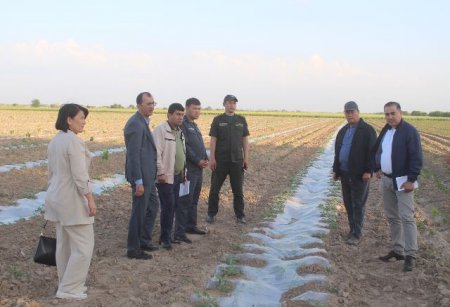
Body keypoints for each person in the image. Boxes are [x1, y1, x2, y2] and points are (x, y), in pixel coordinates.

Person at [45, 103, 97, 300]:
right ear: (69, 119)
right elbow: (80, 175)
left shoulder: (55, 141)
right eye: (81, 118)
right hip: (72, 200)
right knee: (84, 247)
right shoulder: (73, 142)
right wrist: (90, 199)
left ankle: (65, 285)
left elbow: (50, 173)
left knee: (64, 246)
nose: (84, 122)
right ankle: (69, 288)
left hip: (56, 198)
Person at [373, 101, 423, 272]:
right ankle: (398, 250)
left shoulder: (410, 131)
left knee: (407, 217)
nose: (389, 117)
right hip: (386, 180)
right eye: (386, 114)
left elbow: (416, 157)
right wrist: (377, 167)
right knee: (392, 217)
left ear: (400, 113)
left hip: (403, 181)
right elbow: (378, 150)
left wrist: (411, 179)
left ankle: (410, 255)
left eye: (392, 113)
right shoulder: (386, 130)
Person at [332, 101, 377, 245]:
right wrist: (336, 170)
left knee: (358, 203)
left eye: (352, 111)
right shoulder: (343, 130)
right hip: (345, 173)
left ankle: (357, 234)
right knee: (348, 203)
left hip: (359, 174)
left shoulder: (367, 130)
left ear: (358, 112)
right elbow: (337, 151)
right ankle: (352, 230)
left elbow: (372, 152)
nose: (350, 114)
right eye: (347, 112)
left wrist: (368, 171)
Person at [124, 92, 159, 260]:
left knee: (152, 207)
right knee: (139, 212)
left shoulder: (144, 122)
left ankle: (144, 240)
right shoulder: (135, 124)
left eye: (153, 103)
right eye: (148, 103)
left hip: (149, 176)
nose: (152, 106)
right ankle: (133, 248)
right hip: (141, 178)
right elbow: (133, 155)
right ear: (139, 105)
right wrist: (138, 181)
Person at [207, 94, 250, 224]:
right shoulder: (218, 120)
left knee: (238, 191)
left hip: (237, 161)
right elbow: (213, 140)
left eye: (234, 103)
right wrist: (212, 158)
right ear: (224, 104)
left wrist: (246, 158)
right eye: (229, 103)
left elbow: (245, 140)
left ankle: (240, 215)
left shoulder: (241, 120)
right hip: (221, 161)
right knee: (215, 189)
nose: (232, 105)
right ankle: (211, 214)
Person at [154, 103, 189, 249]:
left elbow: (182, 152)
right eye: (177, 114)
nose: (180, 117)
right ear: (169, 115)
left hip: (178, 176)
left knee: (174, 206)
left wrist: (184, 171)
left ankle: (169, 236)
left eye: (182, 114)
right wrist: (160, 171)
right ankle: (165, 238)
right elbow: (156, 152)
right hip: (166, 177)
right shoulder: (161, 130)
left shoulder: (179, 132)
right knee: (168, 207)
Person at [180, 98, 208, 235]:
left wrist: (205, 157)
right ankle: (181, 228)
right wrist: (197, 160)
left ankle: (191, 225)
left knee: (194, 199)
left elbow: (199, 145)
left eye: (199, 108)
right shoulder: (183, 125)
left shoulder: (194, 126)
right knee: (186, 199)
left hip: (198, 169)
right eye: (194, 108)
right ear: (187, 108)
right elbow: (185, 147)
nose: (197, 111)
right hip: (188, 170)